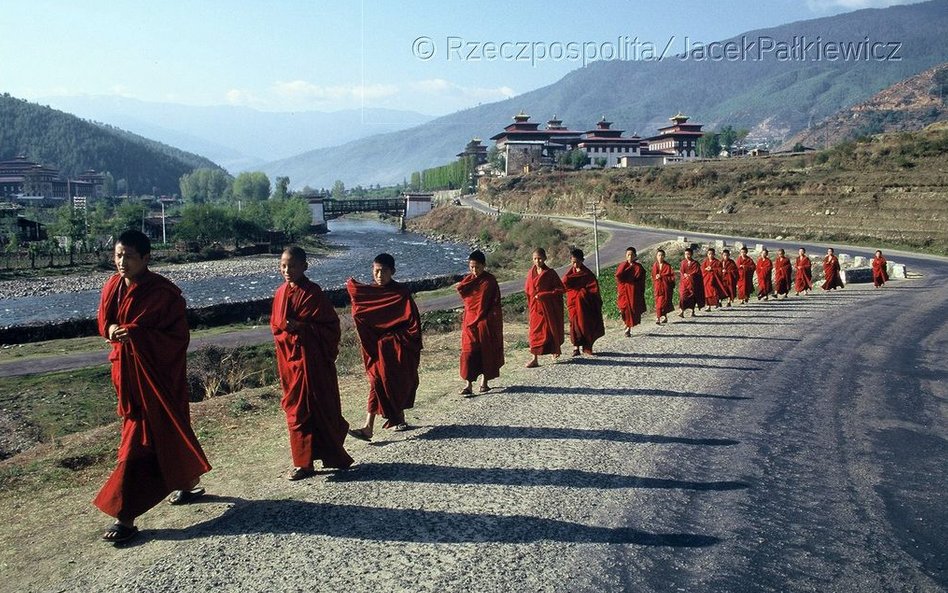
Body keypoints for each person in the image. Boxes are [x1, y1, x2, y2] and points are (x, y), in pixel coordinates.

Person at [95, 230, 211, 545]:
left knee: (135, 446)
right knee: (169, 433)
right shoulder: (112, 287)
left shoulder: (164, 294)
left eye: (129, 256)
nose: (122, 262)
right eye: (118, 255)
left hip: (158, 380)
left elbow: (177, 339)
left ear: (146, 258)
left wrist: (135, 334)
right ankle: (187, 483)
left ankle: (125, 517)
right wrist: (112, 329)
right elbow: (103, 323)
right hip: (128, 377)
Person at [271, 246, 353, 480]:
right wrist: (287, 329)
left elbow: (330, 327)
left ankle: (325, 457)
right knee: (296, 412)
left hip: (313, 362)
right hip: (291, 363)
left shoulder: (313, 293)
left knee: (320, 409)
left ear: (304, 267)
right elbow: (276, 327)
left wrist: (302, 327)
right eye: (283, 265)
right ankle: (303, 462)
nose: (287, 270)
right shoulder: (279, 294)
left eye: (293, 265)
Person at [346, 253, 422, 440]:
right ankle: (368, 427)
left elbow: (413, 325)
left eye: (384, 271)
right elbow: (361, 315)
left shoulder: (401, 293)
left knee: (397, 382)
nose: (379, 276)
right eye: (376, 271)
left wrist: (392, 340)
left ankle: (397, 417)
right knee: (377, 382)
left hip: (398, 347)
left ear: (393, 272)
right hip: (377, 349)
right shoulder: (369, 294)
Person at [456, 250, 504, 395]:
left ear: (484, 266)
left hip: (485, 322)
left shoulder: (490, 281)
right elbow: (467, 297)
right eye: (471, 267)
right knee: (468, 352)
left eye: (477, 267)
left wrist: (490, 318)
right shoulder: (468, 280)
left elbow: (495, 302)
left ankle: (484, 382)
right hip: (470, 322)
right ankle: (468, 385)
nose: (474, 270)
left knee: (486, 351)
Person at [525, 247, 565, 368]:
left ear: (545, 258)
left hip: (548, 308)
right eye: (535, 259)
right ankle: (534, 359)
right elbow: (528, 290)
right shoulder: (530, 273)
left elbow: (561, 289)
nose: (537, 261)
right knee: (534, 333)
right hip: (535, 309)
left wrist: (545, 295)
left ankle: (554, 349)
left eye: (540, 259)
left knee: (550, 331)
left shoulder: (551, 273)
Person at [563, 248, 605, 356]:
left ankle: (587, 347)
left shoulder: (587, 274)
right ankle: (576, 348)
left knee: (585, 325)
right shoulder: (569, 274)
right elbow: (565, 286)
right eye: (573, 262)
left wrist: (582, 293)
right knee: (574, 325)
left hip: (585, 305)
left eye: (577, 262)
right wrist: (575, 294)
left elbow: (593, 289)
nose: (575, 264)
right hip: (573, 303)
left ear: (582, 260)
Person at [615, 246, 647, 336]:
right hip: (623, 291)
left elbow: (641, 279)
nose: (630, 257)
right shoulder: (622, 265)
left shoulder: (638, 267)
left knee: (631, 310)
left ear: (635, 256)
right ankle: (626, 323)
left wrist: (638, 289)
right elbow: (618, 276)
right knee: (623, 309)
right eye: (628, 255)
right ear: (625, 256)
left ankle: (628, 328)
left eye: (632, 255)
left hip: (633, 292)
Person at [678, 247, 704, 317]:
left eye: (688, 254)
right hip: (684, 283)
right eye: (686, 254)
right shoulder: (683, 263)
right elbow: (681, 271)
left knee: (692, 297)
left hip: (692, 283)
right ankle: (682, 311)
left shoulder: (695, 263)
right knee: (682, 296)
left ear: (691, 254)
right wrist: (684, 275)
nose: (687, 256)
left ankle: (692, 311)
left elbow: (697, 272)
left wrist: (690, 275)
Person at [652, 249, 675, 324]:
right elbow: (653, 276)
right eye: (659, 255)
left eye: (662, 255)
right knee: (659, 303)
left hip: (665, 288)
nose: (660, 257)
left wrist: (662, 276)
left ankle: (658, 318)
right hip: (658, 287)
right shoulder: (655, 265)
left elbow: (672, 277)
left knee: (661, 304)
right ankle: (664, 317)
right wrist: (656, 277)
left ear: (664, 256)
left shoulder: (668, 266)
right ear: (656, 256)